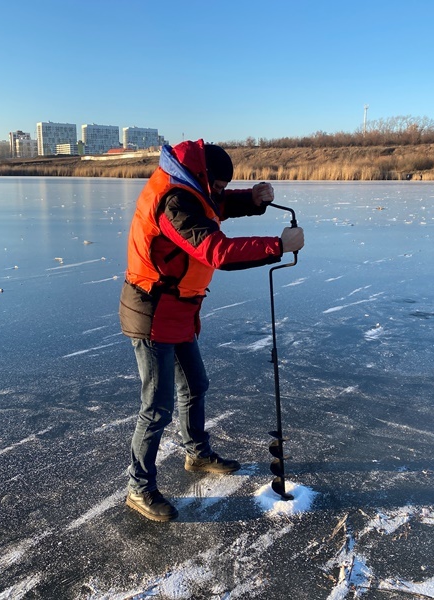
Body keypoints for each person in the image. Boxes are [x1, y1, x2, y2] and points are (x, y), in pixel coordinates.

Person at [118, 139, 305, 521]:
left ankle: (197, 454)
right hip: (152, 312)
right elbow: (216, 251)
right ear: (203, 177)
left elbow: (213, 205)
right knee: (156, 407)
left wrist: (251, 199)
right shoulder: (174, 202)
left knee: (195, 386)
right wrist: (277, 245)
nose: (219, 193)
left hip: (179, 311)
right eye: (217, 186)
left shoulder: (190, 187)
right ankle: (139, 488)